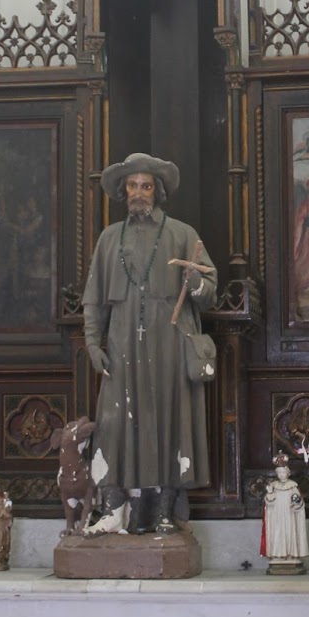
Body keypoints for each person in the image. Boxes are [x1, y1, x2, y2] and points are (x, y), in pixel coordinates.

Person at [81, 153, 215, 534]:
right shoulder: (109, 238)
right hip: (121, 348)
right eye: (133, 185)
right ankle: (114, 508)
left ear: (157, 191)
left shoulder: (184, 235)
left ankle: (164, 510)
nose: (139, 192)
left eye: (146, 185)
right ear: (123, 191)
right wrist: (93, 345)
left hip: (171, 347)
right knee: (115, 424)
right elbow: (93, 299)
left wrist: (197, 284)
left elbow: (211, 292)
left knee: (170, 422)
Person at [260, 453, 309, 574]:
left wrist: (297, 503)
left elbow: (299, 502)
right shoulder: (274, 486)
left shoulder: (293, 486)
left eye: (283, 472)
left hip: (290, 516)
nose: (281, 475)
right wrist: (270, 493)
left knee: (291, 533)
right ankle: (278, 555)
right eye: (279, 473)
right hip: (277, 517)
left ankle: (292, 554)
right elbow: (269, 503)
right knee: (277, 534)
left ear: (288, 473)